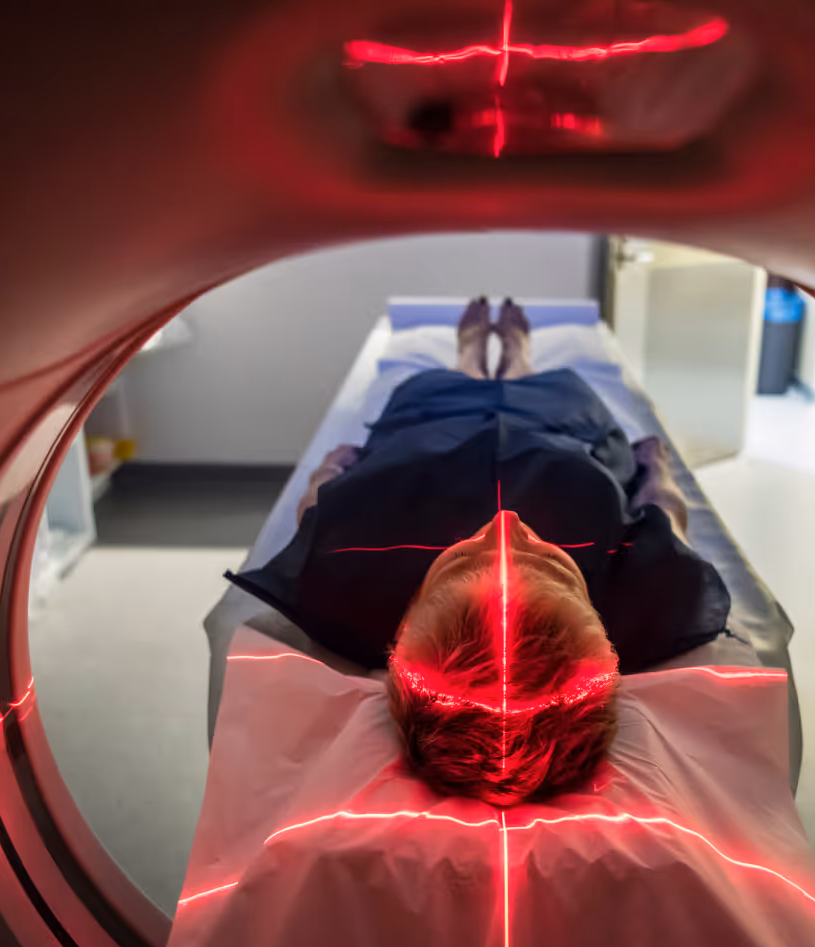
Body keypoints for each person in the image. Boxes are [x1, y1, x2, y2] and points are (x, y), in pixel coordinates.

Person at [230, 297, 732, 806]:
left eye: (464, 560)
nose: (505, 525)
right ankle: (519, 358)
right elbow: (666, 515)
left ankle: (469, 356)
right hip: (558, 437)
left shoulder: (346, 588)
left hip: (423, 441)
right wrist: (659, 469)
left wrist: (327, 472)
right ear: (600, 634)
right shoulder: (646, 605)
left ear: (402, 631)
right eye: (548, 565)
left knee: (428, 393)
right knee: (559, 391)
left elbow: (313, 515)